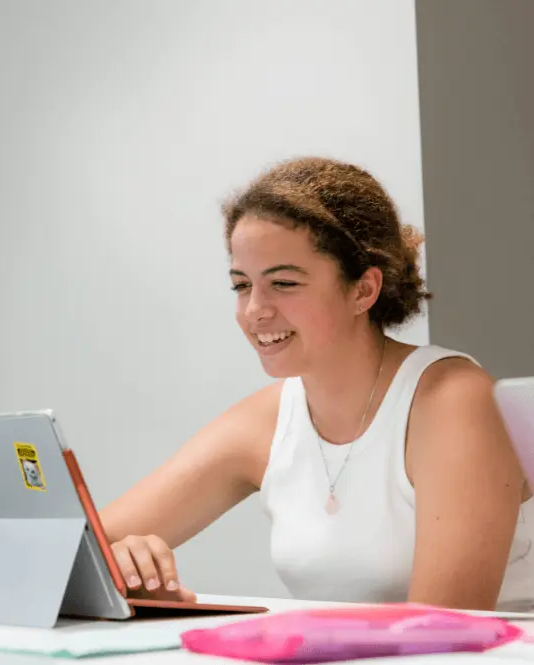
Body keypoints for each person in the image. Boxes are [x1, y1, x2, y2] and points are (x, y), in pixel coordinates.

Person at [100, 156, 534, 611]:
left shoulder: (455, 402)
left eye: (283, 283)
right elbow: (74, 550)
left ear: (363, 290)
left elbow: (441, 631)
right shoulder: (267, 420)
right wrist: (121, 562)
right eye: (241, 285)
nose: (254, 310)